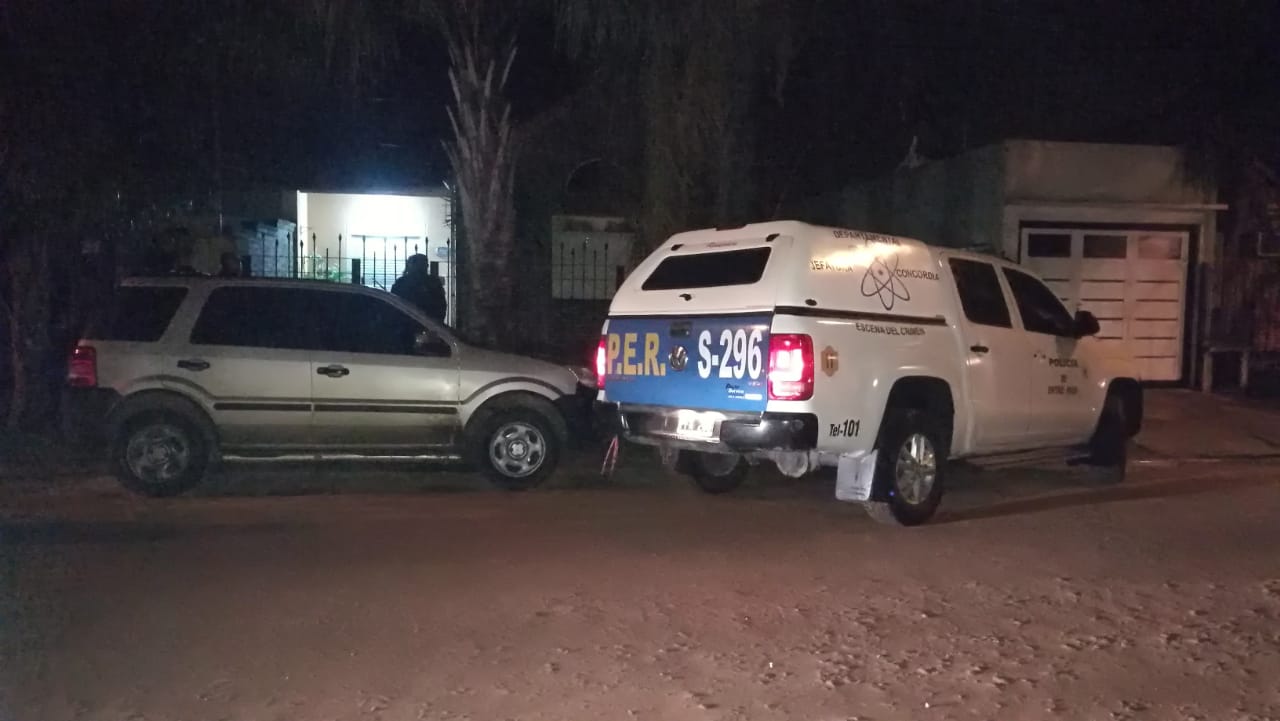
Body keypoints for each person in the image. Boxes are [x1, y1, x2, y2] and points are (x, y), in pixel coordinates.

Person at [391, 254, 447, 323]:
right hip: (426, 322)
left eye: (423, 264)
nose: (423, 267)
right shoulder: (433, 281)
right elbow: (441, 305)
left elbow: (393, 303)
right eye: (420, 265)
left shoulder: (402, 282)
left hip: (410, 322)